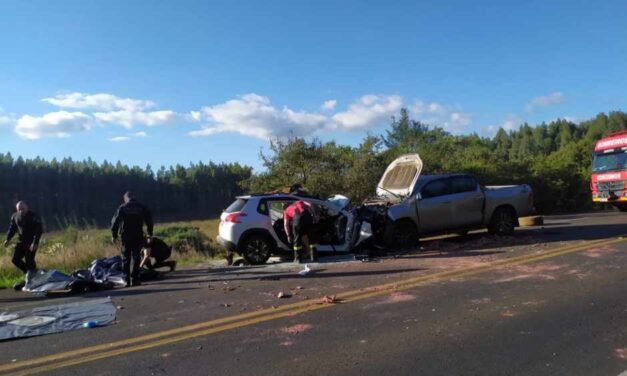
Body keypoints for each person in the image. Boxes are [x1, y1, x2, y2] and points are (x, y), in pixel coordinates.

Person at [111, 191, 154, 287]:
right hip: (138, 235)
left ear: (126, 198)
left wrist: (114, 235)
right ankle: (135, 279)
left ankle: (126, 280)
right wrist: (149, 234)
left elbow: (115, 222)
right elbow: (149, 221)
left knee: (125, 258)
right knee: (136, 257)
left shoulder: (123, 207)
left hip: (125, 236)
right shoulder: (142, 207)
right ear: (134, 197)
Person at [3, 201, 43, 288]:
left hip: (31, 242)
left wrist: (35, 242)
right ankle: (29, 273)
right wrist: (8, 239)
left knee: (29, 261)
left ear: (27, 207)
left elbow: (39, 230)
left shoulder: (34, 216)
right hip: (21, 242)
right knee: (15, 259)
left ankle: (33, 277)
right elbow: (12, 229)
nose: (21, 211)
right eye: (19, 209)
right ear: (17, 209)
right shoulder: (15, 216)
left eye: (23, 209)